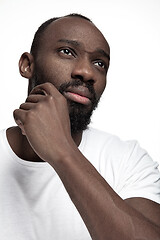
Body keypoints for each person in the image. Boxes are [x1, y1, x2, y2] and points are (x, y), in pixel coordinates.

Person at [0, 13, 159, 240]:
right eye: (67, 51)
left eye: (99, 63)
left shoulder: (128, 160)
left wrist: (63, 152)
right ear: (27, 65)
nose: (86, 72)